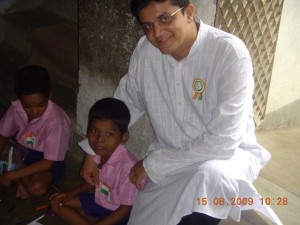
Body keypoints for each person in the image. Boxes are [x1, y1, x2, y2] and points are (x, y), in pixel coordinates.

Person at [81, 0, 272, 225]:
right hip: (169, 154)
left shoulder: (228, 52)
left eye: (165, 18)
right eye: (147, 25)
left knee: (210, 176)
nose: (157, 33)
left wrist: (154, 165)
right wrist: (92, 153)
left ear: (189, 12)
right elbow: (124, 104)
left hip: (223, 158)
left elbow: (224, 141)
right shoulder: (145, 52)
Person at [50, 98, 138, 225]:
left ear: (124, 137)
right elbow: (94, 183)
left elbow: (126, 208)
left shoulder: (128, 167)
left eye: (109, 134)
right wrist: (71, 193)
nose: (99, 139)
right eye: (95, 131)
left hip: (117, 213)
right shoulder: (97, 154)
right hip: (99, 200)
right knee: (56, 203)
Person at [0, 65, 71, 199]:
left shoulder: (56, 122)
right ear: (20, 99)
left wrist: (10, 175)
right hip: (21, 151)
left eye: (40, 105)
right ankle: (20, 181)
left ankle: (18, 178)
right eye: (27, 106)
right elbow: (3, 135)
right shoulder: (16, 108)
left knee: (36, 188)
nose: (34, 111)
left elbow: (48, 162)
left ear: (49, 95)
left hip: (47, 160)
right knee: (7, 155)